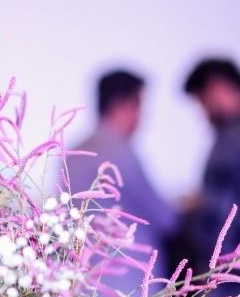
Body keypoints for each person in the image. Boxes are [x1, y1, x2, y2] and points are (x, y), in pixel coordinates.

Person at [67, 70, 176, 284]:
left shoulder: (74, 152)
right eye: (140, 106)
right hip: (130, 281)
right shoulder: (120, 153)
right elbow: (165, 218)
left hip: (82, 280)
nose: (143, 117)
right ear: (123, 106)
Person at [182, 58, 240, 272]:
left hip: (226, 277)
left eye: (202, 101)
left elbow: (216, 220)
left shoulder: (231, 140)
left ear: (217, 88)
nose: (203, 113)